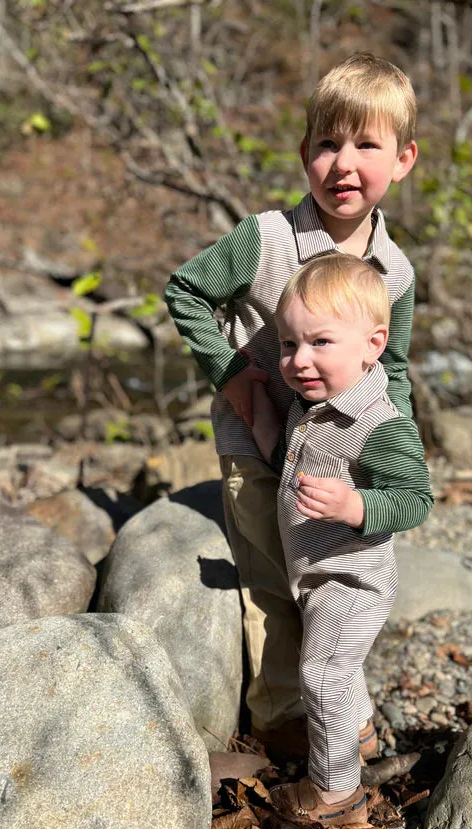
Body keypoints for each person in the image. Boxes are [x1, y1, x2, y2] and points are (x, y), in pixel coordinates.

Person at [164, 52, 419, 759]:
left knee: (338, 579)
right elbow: (186, 290)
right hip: (259, 442)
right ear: (305, 154)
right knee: (273, 581)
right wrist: (233, 378)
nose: (345, 163)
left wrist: (394, 456)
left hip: (338, 455)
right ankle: (282, 724)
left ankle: (338, 708)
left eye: (367, 145)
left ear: (402, 159)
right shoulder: (268, 238)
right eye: (328, 144)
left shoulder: (396, 273)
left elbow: (390, 368)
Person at [248, 253, 432, 825]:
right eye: (287, 345)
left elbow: (416, 498)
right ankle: (362, 735)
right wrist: (260, 421)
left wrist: (355, 505)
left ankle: (337, 794)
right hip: (317, 574)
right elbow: (297, 457)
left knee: (323, 671)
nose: (298, 361)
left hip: (353, 578)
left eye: (319, 343)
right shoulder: (314, 404)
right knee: (339, 667)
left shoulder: (379, 423)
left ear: (373, 345)